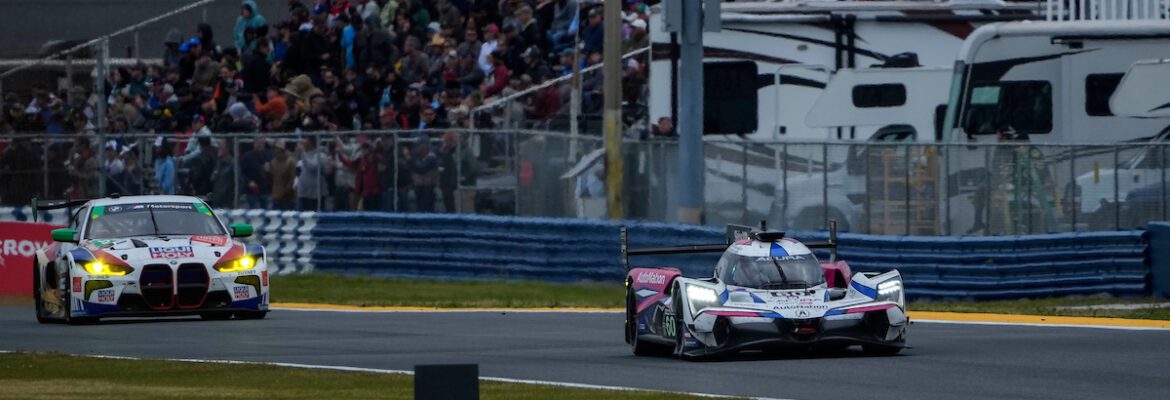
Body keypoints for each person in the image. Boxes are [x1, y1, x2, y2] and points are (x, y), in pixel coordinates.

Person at [409, 136, 440, 212]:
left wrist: (409, 160)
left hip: (428, 188)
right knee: (420, 209)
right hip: (419, 187)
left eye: (419, 145)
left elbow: (421, 169)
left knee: (426, 210)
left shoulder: (432, 157)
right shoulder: (418, 157)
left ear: (425, 145)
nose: (417, 148)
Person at [240, 137, 273, 209]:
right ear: (254, 144)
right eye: (258, 143)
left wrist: (269, 169)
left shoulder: (268, 155)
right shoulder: (247, 156)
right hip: (252, 190)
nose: (260, 145)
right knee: (256, 209)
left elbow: (272, 172)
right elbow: (242, 172)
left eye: (262, 143)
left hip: (264, 189)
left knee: (265, 212)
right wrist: (249, 182)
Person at [296, 135, 326, 211]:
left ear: (311, 143)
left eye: (306, 140)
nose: (304, 142)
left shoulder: (321, 155)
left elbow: (312, 167)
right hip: (303, 192)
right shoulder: (305, 154)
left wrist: (303, 153)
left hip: (314, 195)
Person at [268, 140, 298, 210]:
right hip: (276, 197)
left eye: (277, 148)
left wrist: (285, 192)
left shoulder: (291, 162)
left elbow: (293, 179)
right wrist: (267, 172)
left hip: (288, 199)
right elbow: (270, 179)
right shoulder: (273, 162)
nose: (275, 150)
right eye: (274, 148)